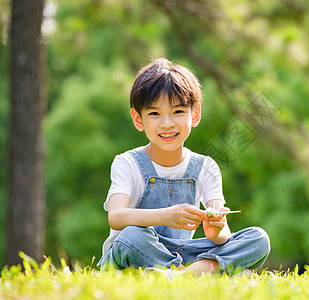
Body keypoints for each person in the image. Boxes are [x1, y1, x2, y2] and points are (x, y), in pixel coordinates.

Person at [98, 58, 270, 276]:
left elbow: (222, 235)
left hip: (181, 252)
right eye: (154, 114)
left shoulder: (206, 167)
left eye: (178, 112)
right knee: (132, 235)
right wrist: (166, 216)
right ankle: (200, 273)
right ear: (138, 119)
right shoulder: (127, 162)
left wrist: (215, 230)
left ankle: (179, 276)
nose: (167, 123)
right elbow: (116, 217)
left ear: (195, 114)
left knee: (257, 238)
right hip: (133, 253)